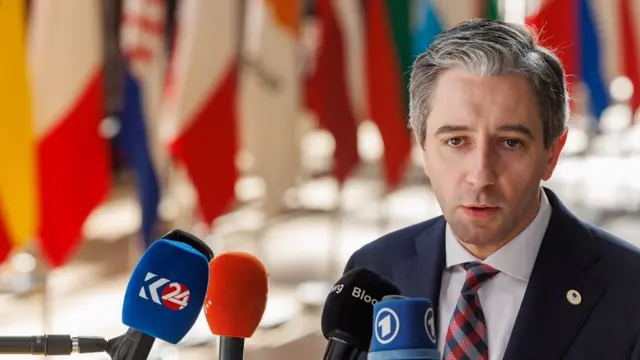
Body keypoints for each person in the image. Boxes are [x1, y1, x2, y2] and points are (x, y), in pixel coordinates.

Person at [344, 19, 640, 360]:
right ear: (423, 148)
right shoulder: (373, 272)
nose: (481, 174)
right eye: (456, 141)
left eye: (510, 143)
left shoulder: (630, 293)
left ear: (552, 154)